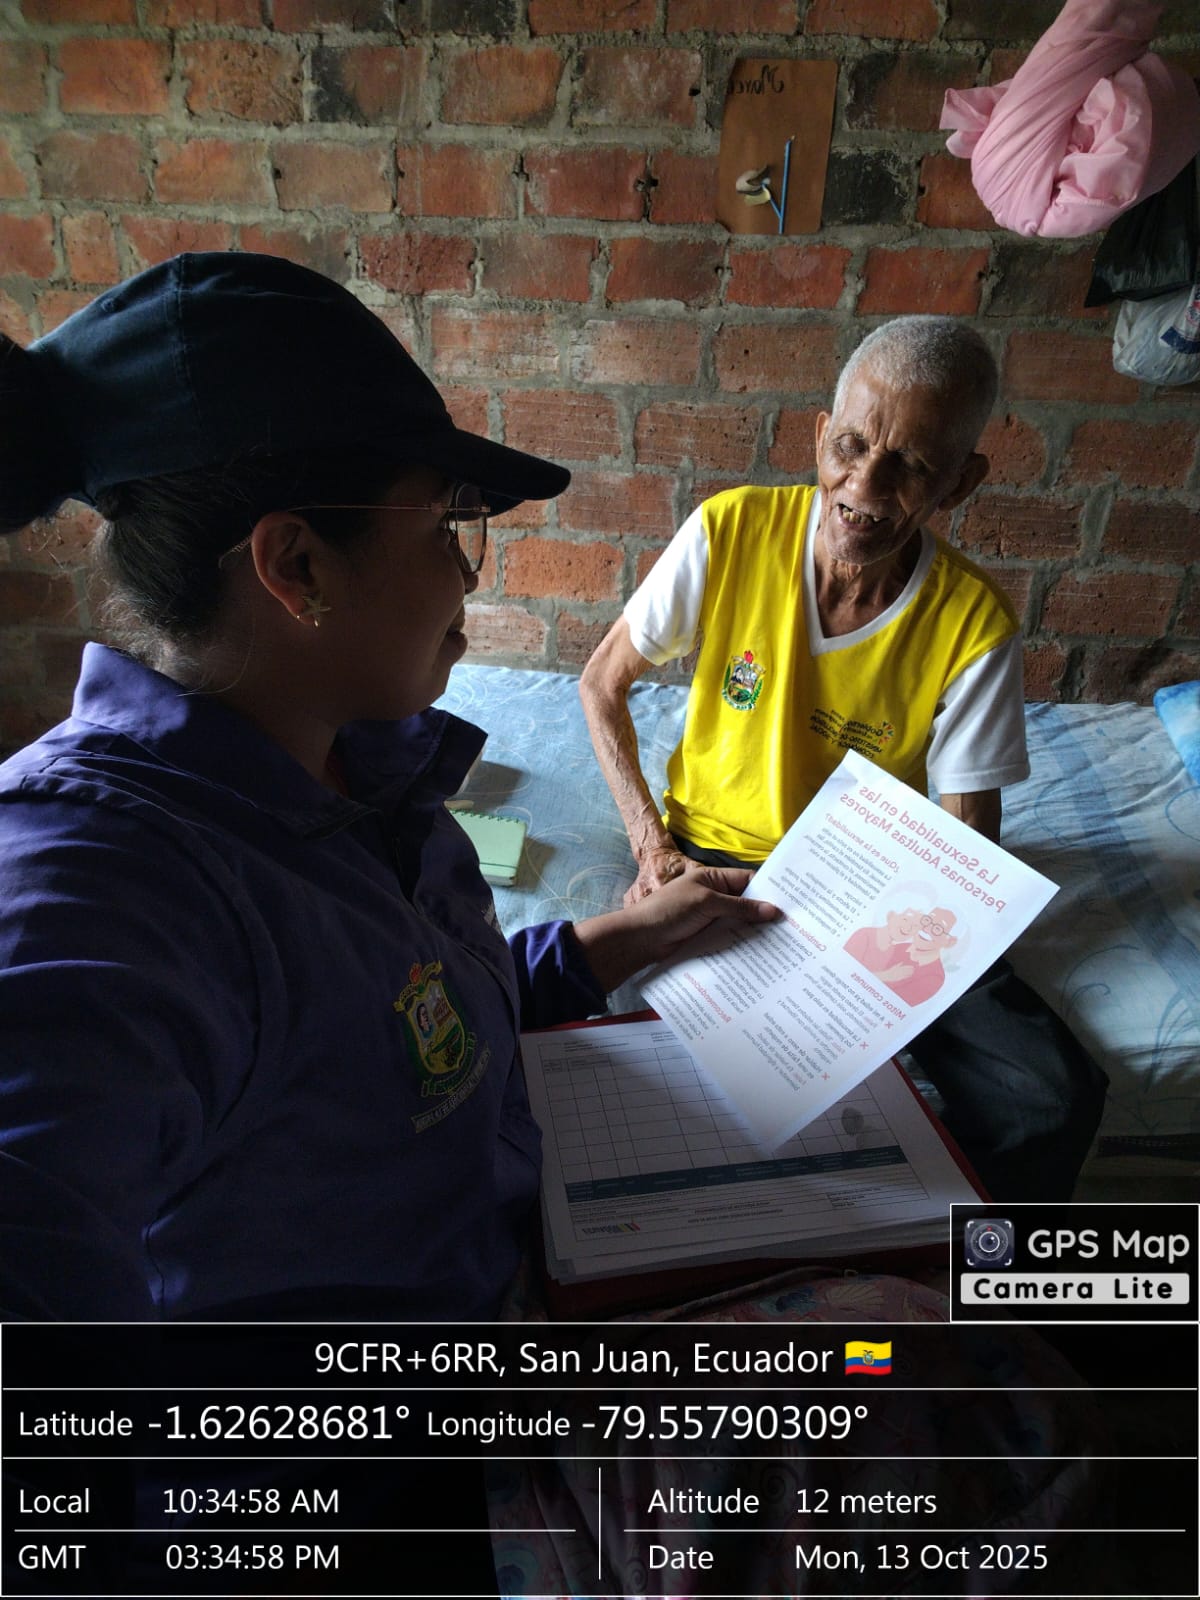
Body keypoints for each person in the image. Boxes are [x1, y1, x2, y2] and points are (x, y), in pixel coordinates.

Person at [0, 251, 780, 1329]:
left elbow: (405, 1018)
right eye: (445, 527)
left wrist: (624, 938)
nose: (466, 577)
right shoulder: (97, 889)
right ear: (299, 568)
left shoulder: (348, 755)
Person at [579, 315, 1108, 1201]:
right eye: (852, 447)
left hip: (873, 885)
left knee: (1050, 1095)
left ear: (961, 483)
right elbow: (602, 685)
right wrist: (651, 848)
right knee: (648, 1059)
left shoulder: (974, 626)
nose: (865, 488)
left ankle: (947, 1265)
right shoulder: (731, 530)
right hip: (708, 860)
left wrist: (873, 936)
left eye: (912, 466)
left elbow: (967, 848)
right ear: (821, 435)